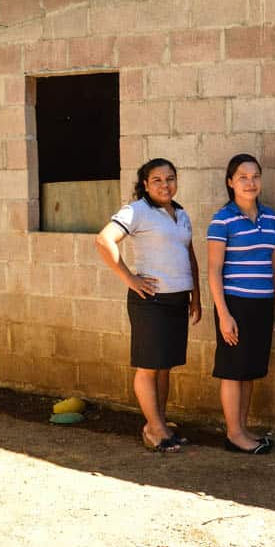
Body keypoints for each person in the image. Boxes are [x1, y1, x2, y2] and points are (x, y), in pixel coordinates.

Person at [95, 158, 201, 453]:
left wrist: (197, 296)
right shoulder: (137, 211)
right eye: (157, 180)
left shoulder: (180, 214)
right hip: (150, 301)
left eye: (170, 178)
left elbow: (189, 255)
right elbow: (104, 241)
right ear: (145, 184)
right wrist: (130, 278)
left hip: (178, 299)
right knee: (148, 368)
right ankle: (154, 429)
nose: (165, 185)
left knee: (164, 367)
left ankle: (159, 424)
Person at [207, 154, 275, 455]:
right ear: (231, 182)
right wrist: (224, 314)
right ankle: (234, 434)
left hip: (262, 304)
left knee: (250, 369)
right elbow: (214, 269)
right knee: (232, 370)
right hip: (235, 304)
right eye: (243, 177)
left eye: (255, 176)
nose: (250, 182)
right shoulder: (222, 218)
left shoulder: (269, 216)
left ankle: (242, 429)